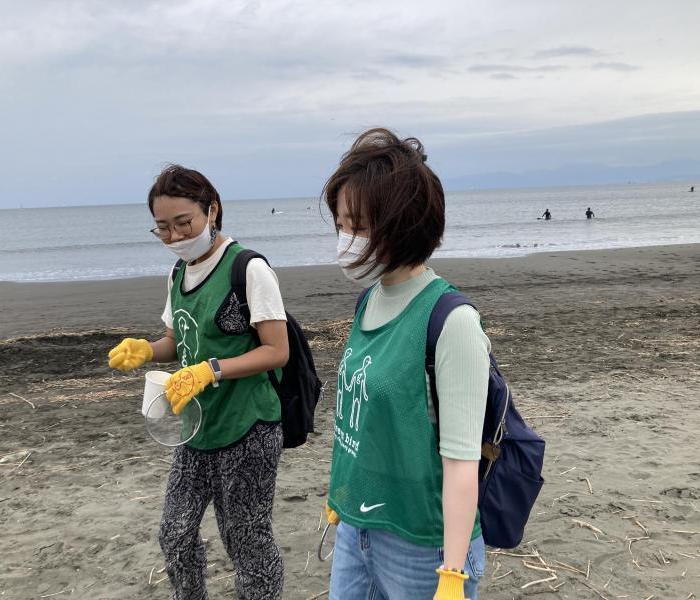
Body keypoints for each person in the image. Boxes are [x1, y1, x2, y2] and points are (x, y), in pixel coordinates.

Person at [107, 165, 289, 600]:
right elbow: (178, 338)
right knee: (175, 534)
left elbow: (276, 351)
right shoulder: (178, 273)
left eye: (183, 223)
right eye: (163, 229)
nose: (174, 237)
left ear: (212, 210)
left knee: (246, 540)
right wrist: (149, 350)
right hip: (195, 428)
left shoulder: (247, 268)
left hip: (248, 428)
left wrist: (212, 369)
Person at [322, 128, 489, 599]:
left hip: (425, 546)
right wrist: (342, 497)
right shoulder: (368, 300)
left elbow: (461, 462)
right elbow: (364, 422)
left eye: (358, 225)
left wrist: (452, 574)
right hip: (359, 527)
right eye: (340, 224)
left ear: (403, 223)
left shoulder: (450, 320)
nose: (345, 239)